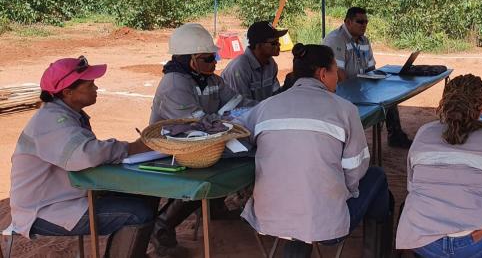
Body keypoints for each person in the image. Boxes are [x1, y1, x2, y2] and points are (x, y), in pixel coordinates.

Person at [240, 43, 394, 257]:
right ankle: (378, 251)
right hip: (325, 224)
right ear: (323, 74)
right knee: (377, 176)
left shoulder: (265, 107)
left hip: (268, 218)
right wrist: (339, 194)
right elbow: (355, 171)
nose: (338, 78)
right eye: (334, 71)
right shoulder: (345, 110)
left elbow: (238, 140)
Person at [10, 56, 155, 258]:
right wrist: (131, 148)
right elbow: (85, 154)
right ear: (68, 92)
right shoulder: (52, 120)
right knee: (138, 213)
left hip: (67, 197)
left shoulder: (67, 114)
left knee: (146, 193)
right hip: (45, 209)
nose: (96, 88)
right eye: (90, 84)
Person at [396, 74, 482, 258]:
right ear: (480, 108)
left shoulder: (424, 133)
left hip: (424, 242)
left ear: (445, 102)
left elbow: (412, 187)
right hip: (476, 245)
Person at [149, 23, 241, 256]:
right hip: (172, 148)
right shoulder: (174, 84)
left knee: (234, 160)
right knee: (201, 177)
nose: (215, 62)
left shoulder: (211, 80)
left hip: (201, 143)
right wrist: (224, 119)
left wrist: (232, 116)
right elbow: (197, 123)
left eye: (215, 57)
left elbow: (236, 105)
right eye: (209, 58)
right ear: (190, 60)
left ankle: (214, 206)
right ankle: (163, 226)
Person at [323, 6, 413, 148]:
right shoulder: (336, 39)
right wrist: (357, 93)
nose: (364, 25)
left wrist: (378, 82)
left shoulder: (364, 40)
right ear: (348, 22)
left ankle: (395, 135)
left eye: (366, 22)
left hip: (361, 85)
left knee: (388, 97)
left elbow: (371, 68)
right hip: (341, 90)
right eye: (360, 22)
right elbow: (338, 74)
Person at [221, 21, 288, 107]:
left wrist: (288, 86)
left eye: (278, 41)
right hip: (235, 117)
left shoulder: (271, 64)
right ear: (258, 45)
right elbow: (241, 106)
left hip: (259, 113)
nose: (279, 45)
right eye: (273, 43)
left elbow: (275, 95)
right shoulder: (240, 67)